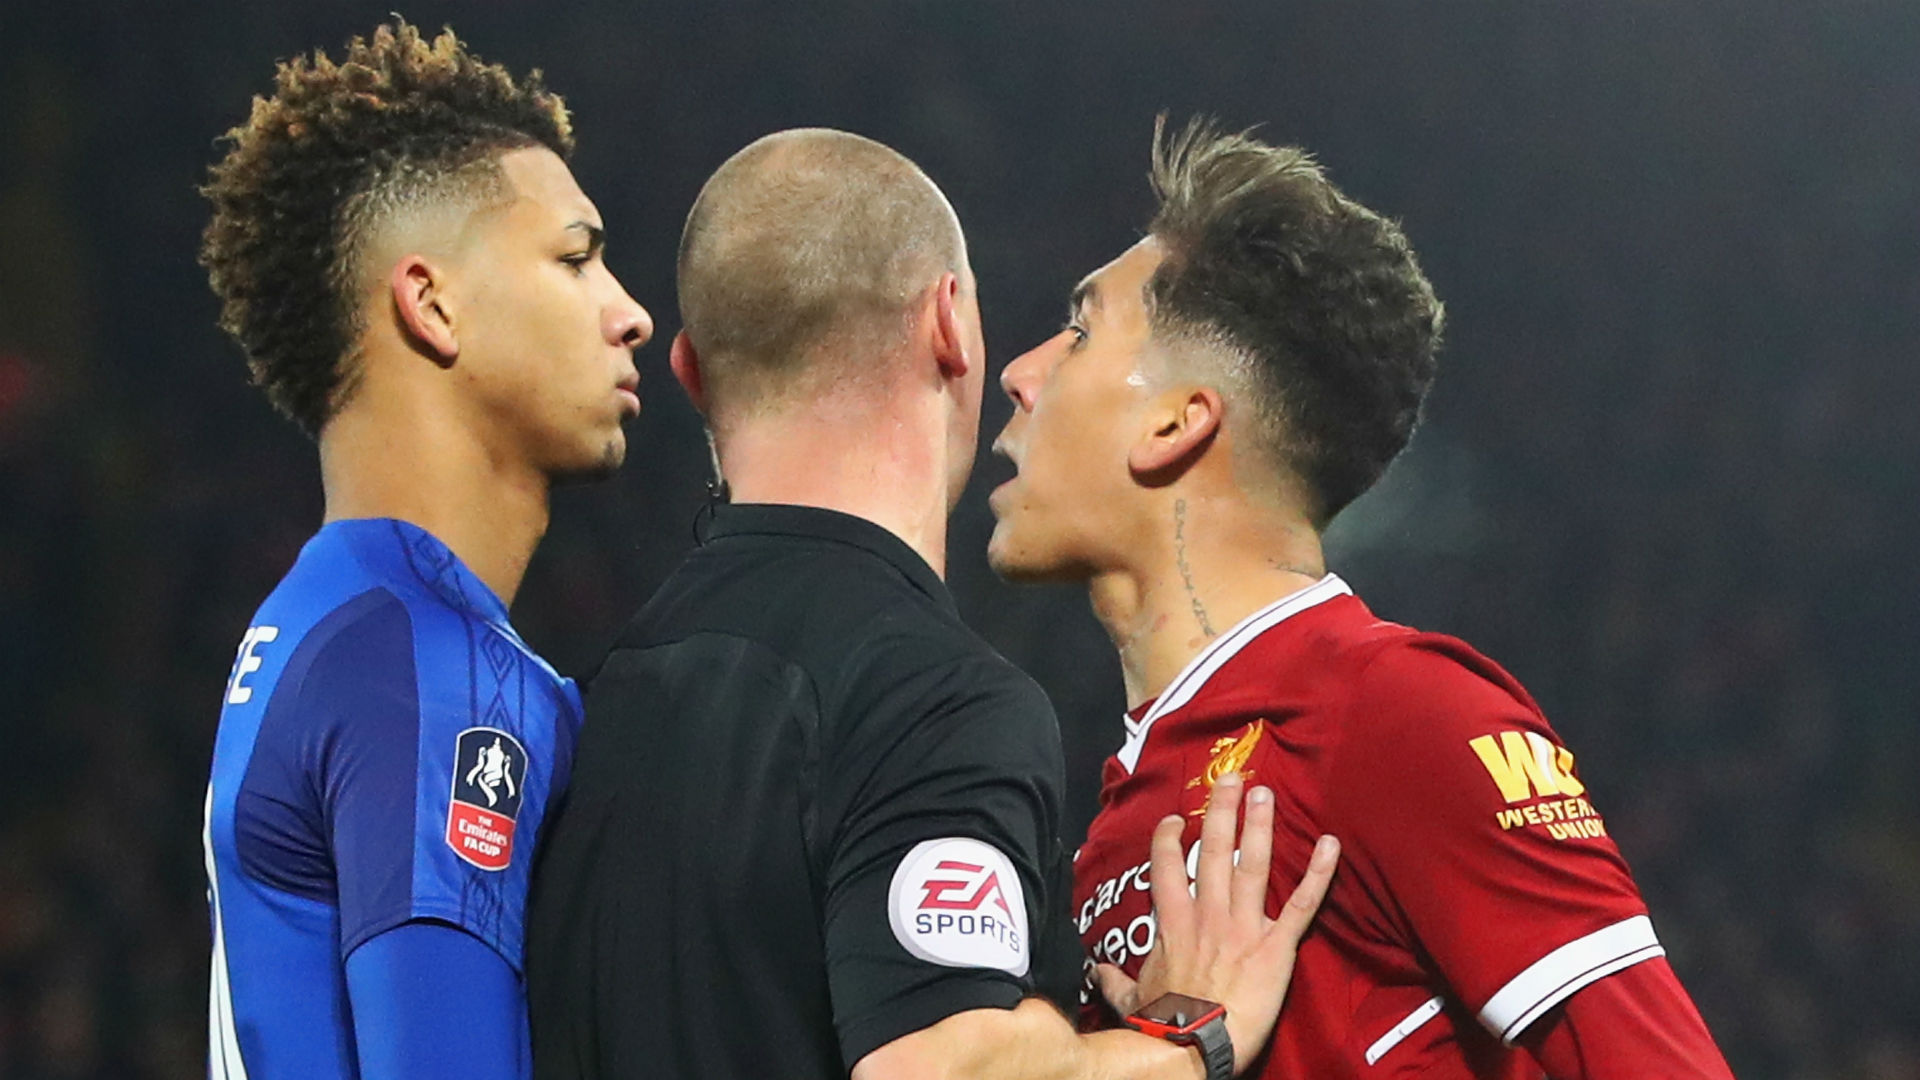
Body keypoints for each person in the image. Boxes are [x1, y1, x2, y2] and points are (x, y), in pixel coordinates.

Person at [525, 128, 1337, 1080]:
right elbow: (940, 1069)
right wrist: (1190, 1044)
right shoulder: (928, 698)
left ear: (691, 373)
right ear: (949, 323)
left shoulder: (579, 711)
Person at [986, 117, 1736, 1079]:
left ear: (1176, 423)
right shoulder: (1122, 810)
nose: (1020, 372)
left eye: (1081, 333)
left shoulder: (1401, 714)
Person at [198, 21, 650, 1080]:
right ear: (432, 304)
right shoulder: (430, 671)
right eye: (575, 259)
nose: (629, 312)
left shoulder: (331, 618)